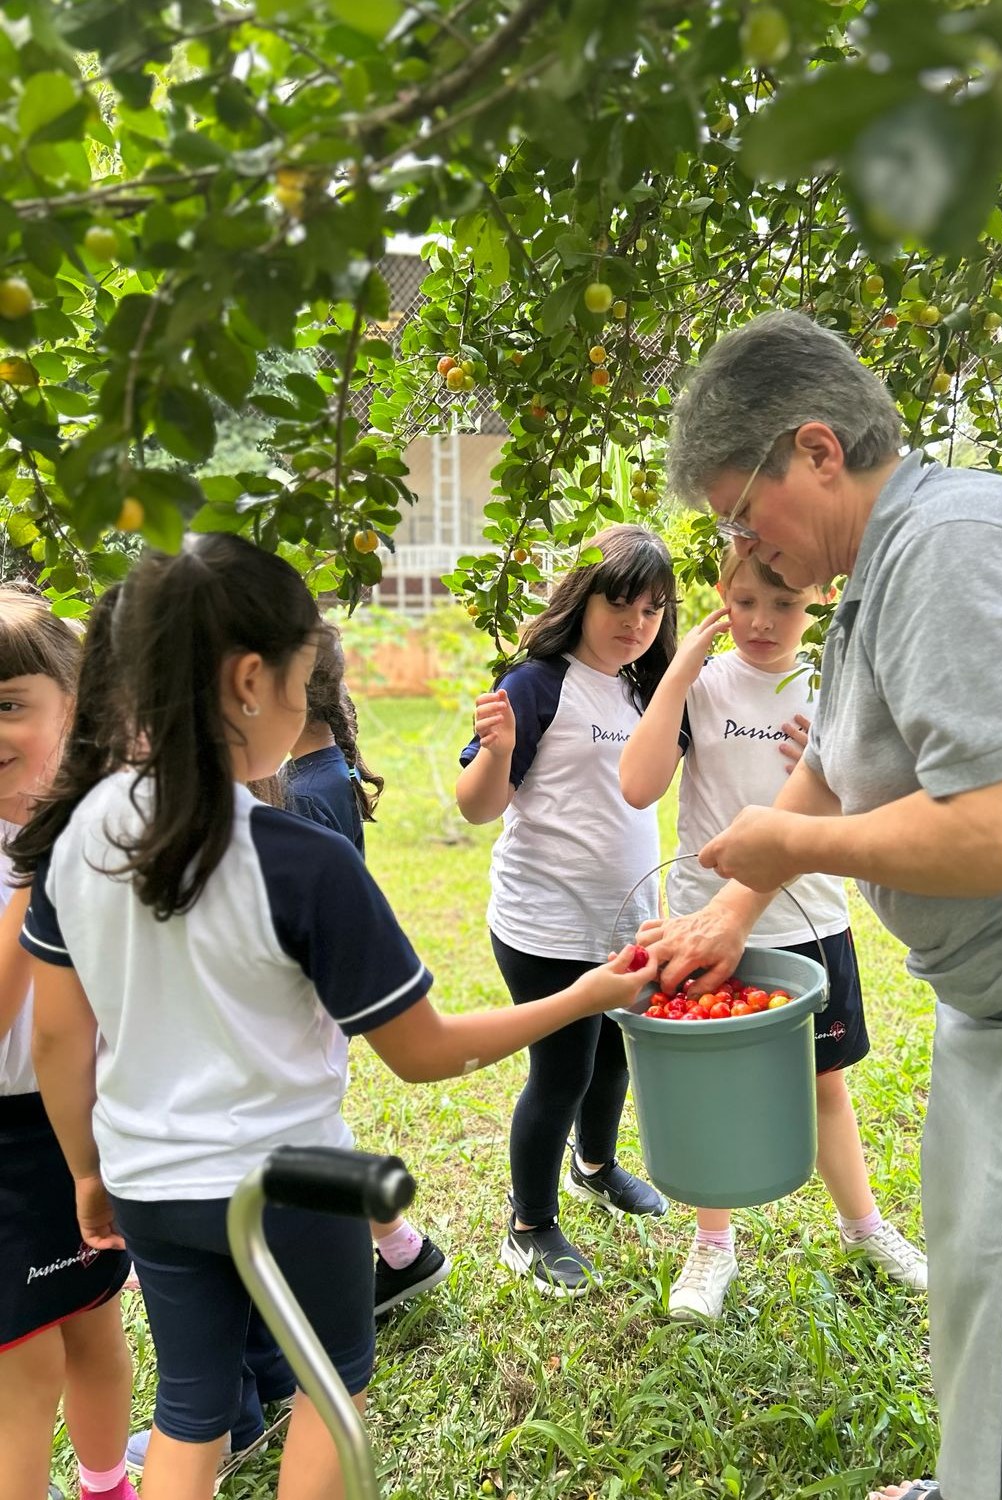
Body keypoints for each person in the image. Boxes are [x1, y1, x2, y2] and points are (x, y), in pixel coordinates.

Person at [640, 309, 1002, 1500]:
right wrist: (735, 909)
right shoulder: (881, 579)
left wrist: (790, 840)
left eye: (743, 513)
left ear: (817, 451)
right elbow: (837, 758)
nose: (747, 549)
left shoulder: (955, 544)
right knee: (991, 1261)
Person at [9, 534, 655, 1500]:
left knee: (189, 1409)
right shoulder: (303, 864)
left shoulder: (72, 845)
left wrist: (89, 1173)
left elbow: (60, 1040)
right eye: (305, 681)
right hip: (285, 1189)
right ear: (247, 685)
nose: (315, 706)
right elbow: (425, 1053)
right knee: (328, 1394)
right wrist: (589, 994)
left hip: (146, 1184)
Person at [619, 547, 925, 1321]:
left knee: (826, 1083)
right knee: (708, 1088)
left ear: (821, 600)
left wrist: (824, 772)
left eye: (784, 605)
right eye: (746, 600)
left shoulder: (833, 687)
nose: (762, 621)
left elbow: (872, 804)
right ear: (721, 594)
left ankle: (865, 1227)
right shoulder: (706, 685)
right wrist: (679, 675)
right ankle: (712, 1246)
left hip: (811, 921)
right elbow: (638, 784)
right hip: (702, 922)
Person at [456, 524, 678, 1297]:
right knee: (562, 1069)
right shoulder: (538, 682)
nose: (636, 622)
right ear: (582, 598)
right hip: (543, 925)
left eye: (652, 609)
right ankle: (529, 1222)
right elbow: (478, 807)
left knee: (615, 1055)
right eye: (620, 601)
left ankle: (596, 1165)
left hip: (622, 922)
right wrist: (495, 749)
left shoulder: (644, 690)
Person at [0, 589, 136, 1500]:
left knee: (94, 1324)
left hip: (82, 1123)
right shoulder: (34, 854)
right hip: (6, 1141)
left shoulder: (105, 830)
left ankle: (106, 1484)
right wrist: (34, 868)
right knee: (25, 1365)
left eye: (10, 702)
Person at [281, 629, 450, 1314]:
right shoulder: (326, 768)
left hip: (306, 997)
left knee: (302, 1139)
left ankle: (381, 1263)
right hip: (313, 994)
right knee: (310, 1133)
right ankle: (403, 1248)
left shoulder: (300, 790)